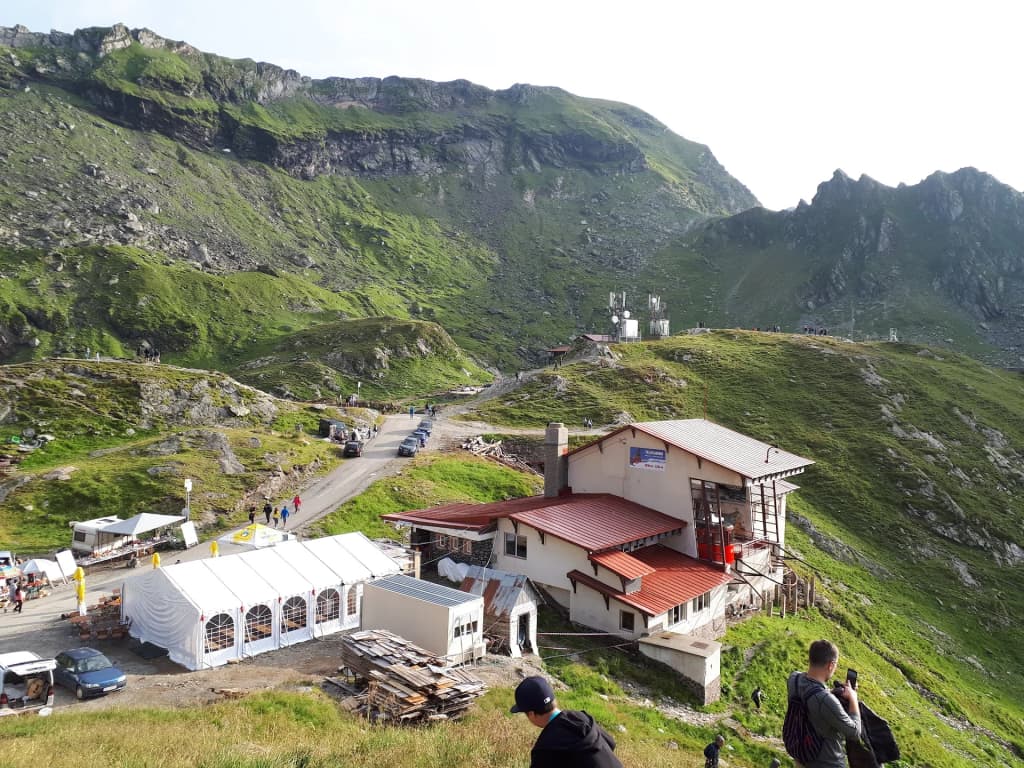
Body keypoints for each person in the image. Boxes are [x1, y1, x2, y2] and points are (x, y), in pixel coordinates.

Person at [510, 676, 623, 768]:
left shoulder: (544, 749)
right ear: (554, 700)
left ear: (531, 714)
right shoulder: (583, 718)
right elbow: (611, 742)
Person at [787, 639, 861, 768]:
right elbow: (854, 732)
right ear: (830, 665)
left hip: (801, 758)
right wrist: (853, 698)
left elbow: (810, 697)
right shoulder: (825, 700)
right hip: (827, 763)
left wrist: (833, 692)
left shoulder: (793, 679)